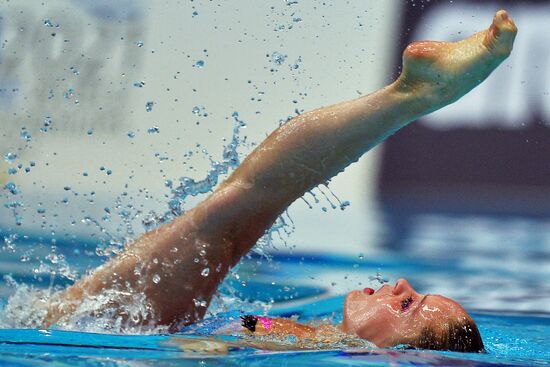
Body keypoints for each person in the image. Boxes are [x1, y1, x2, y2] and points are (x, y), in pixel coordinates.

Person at [42, 10, 517, 352]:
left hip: (98, 336)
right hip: (122, 330)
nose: (401, 283)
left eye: (409, 304)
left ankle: (410, 97)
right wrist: (222, 334)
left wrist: (205, 345)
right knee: (234, 217)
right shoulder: (320, 342)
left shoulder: (324, 350)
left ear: (395, 355)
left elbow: (226, 338)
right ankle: (409, 97)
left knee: (232, 218)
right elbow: (247, 326)